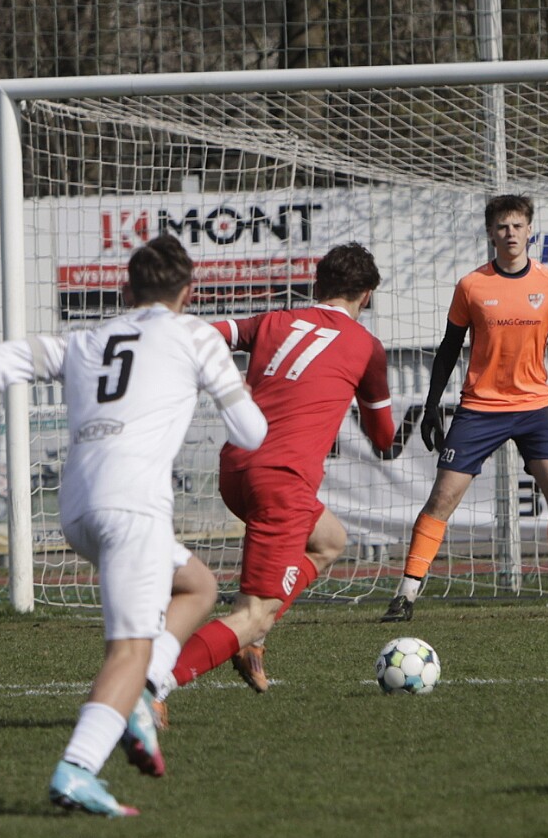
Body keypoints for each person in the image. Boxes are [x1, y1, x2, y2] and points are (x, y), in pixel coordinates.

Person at [0, 235, 266, 817]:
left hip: (77, 509)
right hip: (132, 507)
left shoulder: (88, 339)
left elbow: (2, 358)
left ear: (125, 291)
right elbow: (251, 433)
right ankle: (79, 769)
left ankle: (144, 691)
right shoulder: (196, 335)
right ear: (189, 293)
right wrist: (232, 391)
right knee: (128, 651)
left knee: (197, 585)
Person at [171, 244, 403, 696]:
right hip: (281, 480)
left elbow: (207, 335)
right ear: (367, 295)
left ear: (317, 286)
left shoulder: (272, 322)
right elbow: (383, 438)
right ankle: (152, 685)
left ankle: (251, 641)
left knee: (329, 539)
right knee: (252, 612)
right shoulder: (367, 347)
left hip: (236, 469)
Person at [383, 194, 548, 622]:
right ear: (490, 233)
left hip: (534, 407)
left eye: (517, 226)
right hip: (479, 408)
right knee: (442, 497)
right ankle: (405, 594)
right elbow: (448, 349)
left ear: (530, 231)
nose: (510, 233)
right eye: (502, 226)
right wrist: (432, 406)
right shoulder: (471, 286)